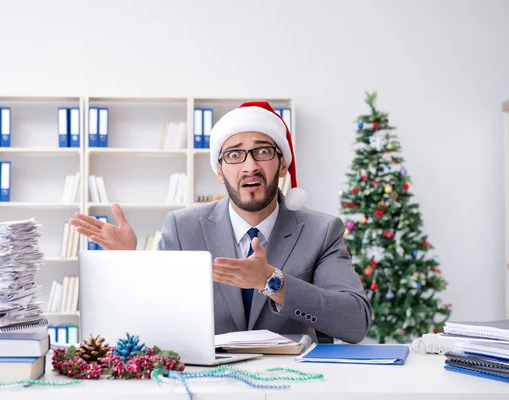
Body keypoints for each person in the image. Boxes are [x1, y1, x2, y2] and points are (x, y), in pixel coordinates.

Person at [70, 101, 372, 344]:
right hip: (209, 381)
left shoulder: (321, 231)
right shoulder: (182, 227)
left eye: (263, 151)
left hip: (294, 384)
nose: (250, 165)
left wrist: (271, 281)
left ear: (282, 164)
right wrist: (128, 263)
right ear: (219, 170)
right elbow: (154, 319)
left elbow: (355, 323)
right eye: (235, 155)